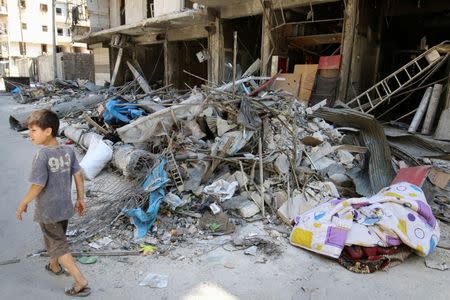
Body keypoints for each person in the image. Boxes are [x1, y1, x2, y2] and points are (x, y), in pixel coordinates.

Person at [16, 109, 90, 297]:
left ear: (47, 131)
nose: (29, 135)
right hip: (64, 207)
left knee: (58, 244)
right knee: (55, 240)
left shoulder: (42, 155)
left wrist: (23, 202)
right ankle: (55, 266)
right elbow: (78, 175)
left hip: (48, 210)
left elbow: (37, 185)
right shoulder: (68, 150)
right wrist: (81, 199)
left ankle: (80, 280)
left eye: (33, 131)